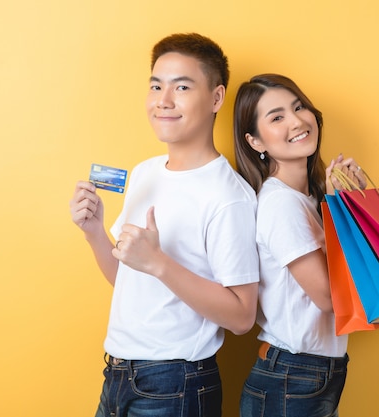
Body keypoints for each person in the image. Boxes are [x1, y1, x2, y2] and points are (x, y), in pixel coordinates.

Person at [69, 33, 259, 417]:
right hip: (118, 373)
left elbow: (242, 316)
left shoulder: (230, 197)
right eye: (156, 86)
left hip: (177, 385)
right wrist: (94, 232)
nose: (163, 100)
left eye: (182, 87)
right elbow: (128, 279)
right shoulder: (145, 173)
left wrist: (159, 262)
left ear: (217, 98)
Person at [233, 74, 367, 417]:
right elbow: (327, 297)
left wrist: (355, 205)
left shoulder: (309, 198)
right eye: (276, 117)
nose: (296, 121)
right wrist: (348, 216)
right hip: (292, 376)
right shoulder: (281, 204)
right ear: (255, 141)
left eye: (299, 107)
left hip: (310, 374)